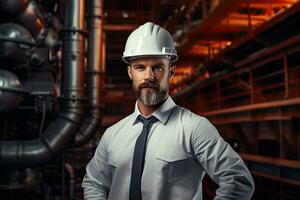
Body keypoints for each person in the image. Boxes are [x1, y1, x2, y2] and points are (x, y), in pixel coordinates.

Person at [82, 22, 255, 200]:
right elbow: (93, 183)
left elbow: (237, 180)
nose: (149, 76)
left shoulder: (194, 128)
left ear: (171, 71)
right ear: (130, 72)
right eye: (140, 67)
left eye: (157, 67)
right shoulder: (113, 135)